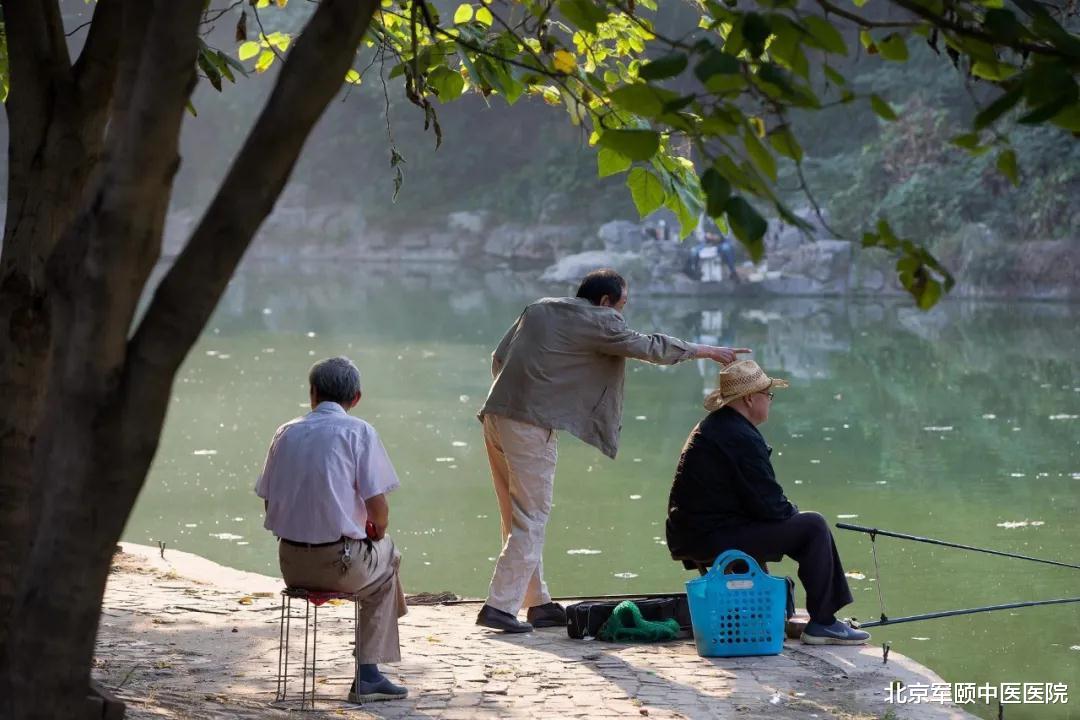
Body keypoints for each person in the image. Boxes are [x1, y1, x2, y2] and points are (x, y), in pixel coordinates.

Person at [475, 269, 751, 633]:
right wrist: (705, 350)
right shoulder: (599, 321)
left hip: (496, 414)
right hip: (529, 425)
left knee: (517, 514)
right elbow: (649, 346)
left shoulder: (540, 309)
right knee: (532, 516)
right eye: (621, 305)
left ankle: (537, 603)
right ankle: (499, 607)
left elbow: (499, 356)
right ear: (605, 302)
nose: (622, 313)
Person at [665, 359, 870, 645]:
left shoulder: (719, 426)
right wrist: (794, 515)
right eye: (768, 395)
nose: (770, 402)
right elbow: (771, 506)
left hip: (696, 533)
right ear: (750, 398)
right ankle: (823, 622)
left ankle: (781, 618)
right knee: (813, 527)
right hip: (710, 536)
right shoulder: (739, 436)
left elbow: (754, 500)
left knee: (787, 526)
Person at [255, 357, 409, 701]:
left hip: (290, 564)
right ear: (356, 398)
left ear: (312, 393)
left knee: (382, 562)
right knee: (389, 559)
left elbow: (269, 504)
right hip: (339, 564)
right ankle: (368, 673)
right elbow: (379, 512)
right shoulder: (359, 432)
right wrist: (374, 532)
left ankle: (382, 637)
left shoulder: (285, 432)